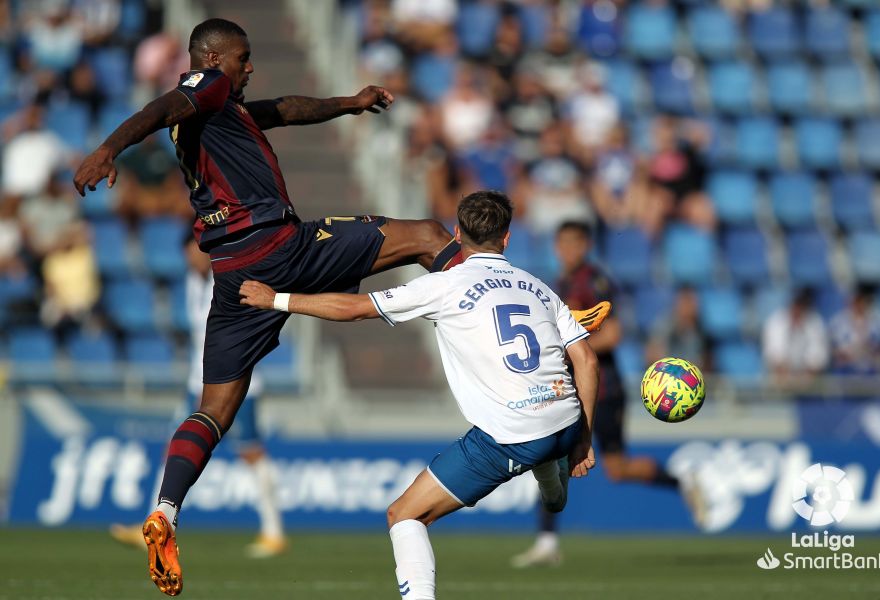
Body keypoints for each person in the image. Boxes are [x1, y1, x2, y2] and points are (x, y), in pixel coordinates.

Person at [72, 19, 604, 596]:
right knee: (426, 233)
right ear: (213, 57)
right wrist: (106, 149)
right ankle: (516, 306)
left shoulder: (223, 112)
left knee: (214, 411)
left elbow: (288, 108)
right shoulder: (206, 85)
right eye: (242, 58)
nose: (249, 67)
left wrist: (350, 104)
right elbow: (160, 107)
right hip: (284, 246)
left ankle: (167, 510)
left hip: (234, 275)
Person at [239, 190, 600, 600]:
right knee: (549, 459)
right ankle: (552, 477)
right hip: (567, 420)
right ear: (507, 239)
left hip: (511, 434)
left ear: (457, 234)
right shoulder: (538, 287)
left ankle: (546, 470)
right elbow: (586, 361)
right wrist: (584, 436)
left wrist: (278, 300)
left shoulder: (443, 285)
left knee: (404, 515)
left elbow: (355, 309)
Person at [511, 222, 706, 568]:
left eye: (574, 243)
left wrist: (564, 348)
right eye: (561, 244)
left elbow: (612, 335)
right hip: (571, 387)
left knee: (614, 468)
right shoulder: (561, 285)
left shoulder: (595, 282)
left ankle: (681, 480)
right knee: (552, 456)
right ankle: (547, 542)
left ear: (585, 245)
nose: (567, 251)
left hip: (604, 387)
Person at [110, 232, 286, 558]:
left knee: (251, 454)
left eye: (195, 251)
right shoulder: (194, 282)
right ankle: (156, 522)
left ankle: (274, 531)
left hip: (234, 384)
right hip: (198, 383)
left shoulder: (228, 280)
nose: (191, 258)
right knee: (174, 449)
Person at [761, 287, 829, 382]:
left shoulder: (815, 322)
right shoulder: (775, 321)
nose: (798, 309)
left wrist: (806, 378)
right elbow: (774, 355)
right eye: (797, 305)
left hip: (809, 382)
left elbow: (819, 355)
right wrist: (787, 378)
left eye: (802, 305)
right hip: (779, 380)